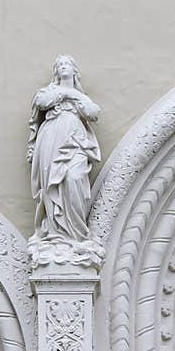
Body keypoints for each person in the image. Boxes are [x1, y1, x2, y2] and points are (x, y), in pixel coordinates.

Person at [27, 55, 101, 245]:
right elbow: (42, 102)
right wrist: (68, 94)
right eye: (60, 65)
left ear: (74, 71)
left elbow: (93, 114)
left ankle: (76, 233)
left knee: (74, 178)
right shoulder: (49, 91)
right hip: (51, 139)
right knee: (52, 182)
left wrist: (75, 95)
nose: (63, 67)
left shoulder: (80, 96)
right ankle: (55, 230)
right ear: (56, 72)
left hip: (76, 141)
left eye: (67, 64)